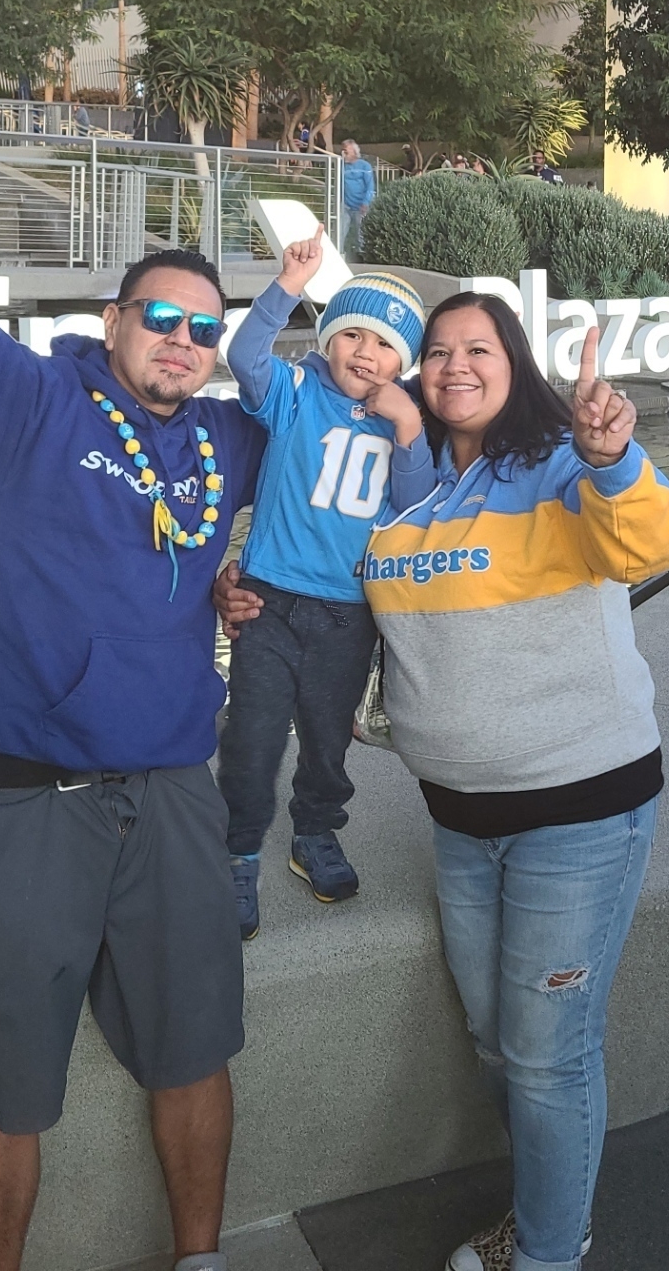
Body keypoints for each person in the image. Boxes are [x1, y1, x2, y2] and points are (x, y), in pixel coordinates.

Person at [0, 104, 266, 1271]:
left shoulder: (228, 441)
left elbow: (354, 457)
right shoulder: (31, 407)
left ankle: (199, 1258)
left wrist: (242, 577)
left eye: (203, 327)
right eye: (159, 317)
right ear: (112, 322)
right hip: (31, 794)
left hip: (175, 789)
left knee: (196, 1050)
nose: (180, 340)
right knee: (1, 1085)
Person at [365, 293, 669, 1271]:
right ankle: (548, 1212)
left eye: (479, 348)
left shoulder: (559, 466)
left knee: (547, 1056)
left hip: (578, 811)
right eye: (437, 350)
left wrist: (609, 456)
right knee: (498, 1042)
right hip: (459, 820)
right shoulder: (400, 481)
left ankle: (547, 1252)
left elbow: (647, 545)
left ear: (515, 363)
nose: (455, 365)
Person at [217, 235, 434, 939]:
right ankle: (238, 851)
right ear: (328, 338)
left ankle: (314, 832)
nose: (365, 353)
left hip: (348, 615)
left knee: (326, 742)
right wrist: (287, 285)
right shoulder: (296, 393)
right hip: (269, 603)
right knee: (252, 738)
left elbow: (415, 510)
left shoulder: (406, 423)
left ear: (404, 362)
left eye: (385, 345)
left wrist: (408, 429)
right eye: (352, 335)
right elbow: (244, 357)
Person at [341, 139, 376, 255]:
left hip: (361, 206)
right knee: (340, 230)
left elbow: (370, 186)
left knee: (361, 233)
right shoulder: (342, 166)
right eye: (343, 150)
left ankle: (362, 255)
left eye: (346, 150)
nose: (343, 153)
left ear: (354, 151)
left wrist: (366, 202)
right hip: (346, 205)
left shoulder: (365, 166)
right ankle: (338, 252)